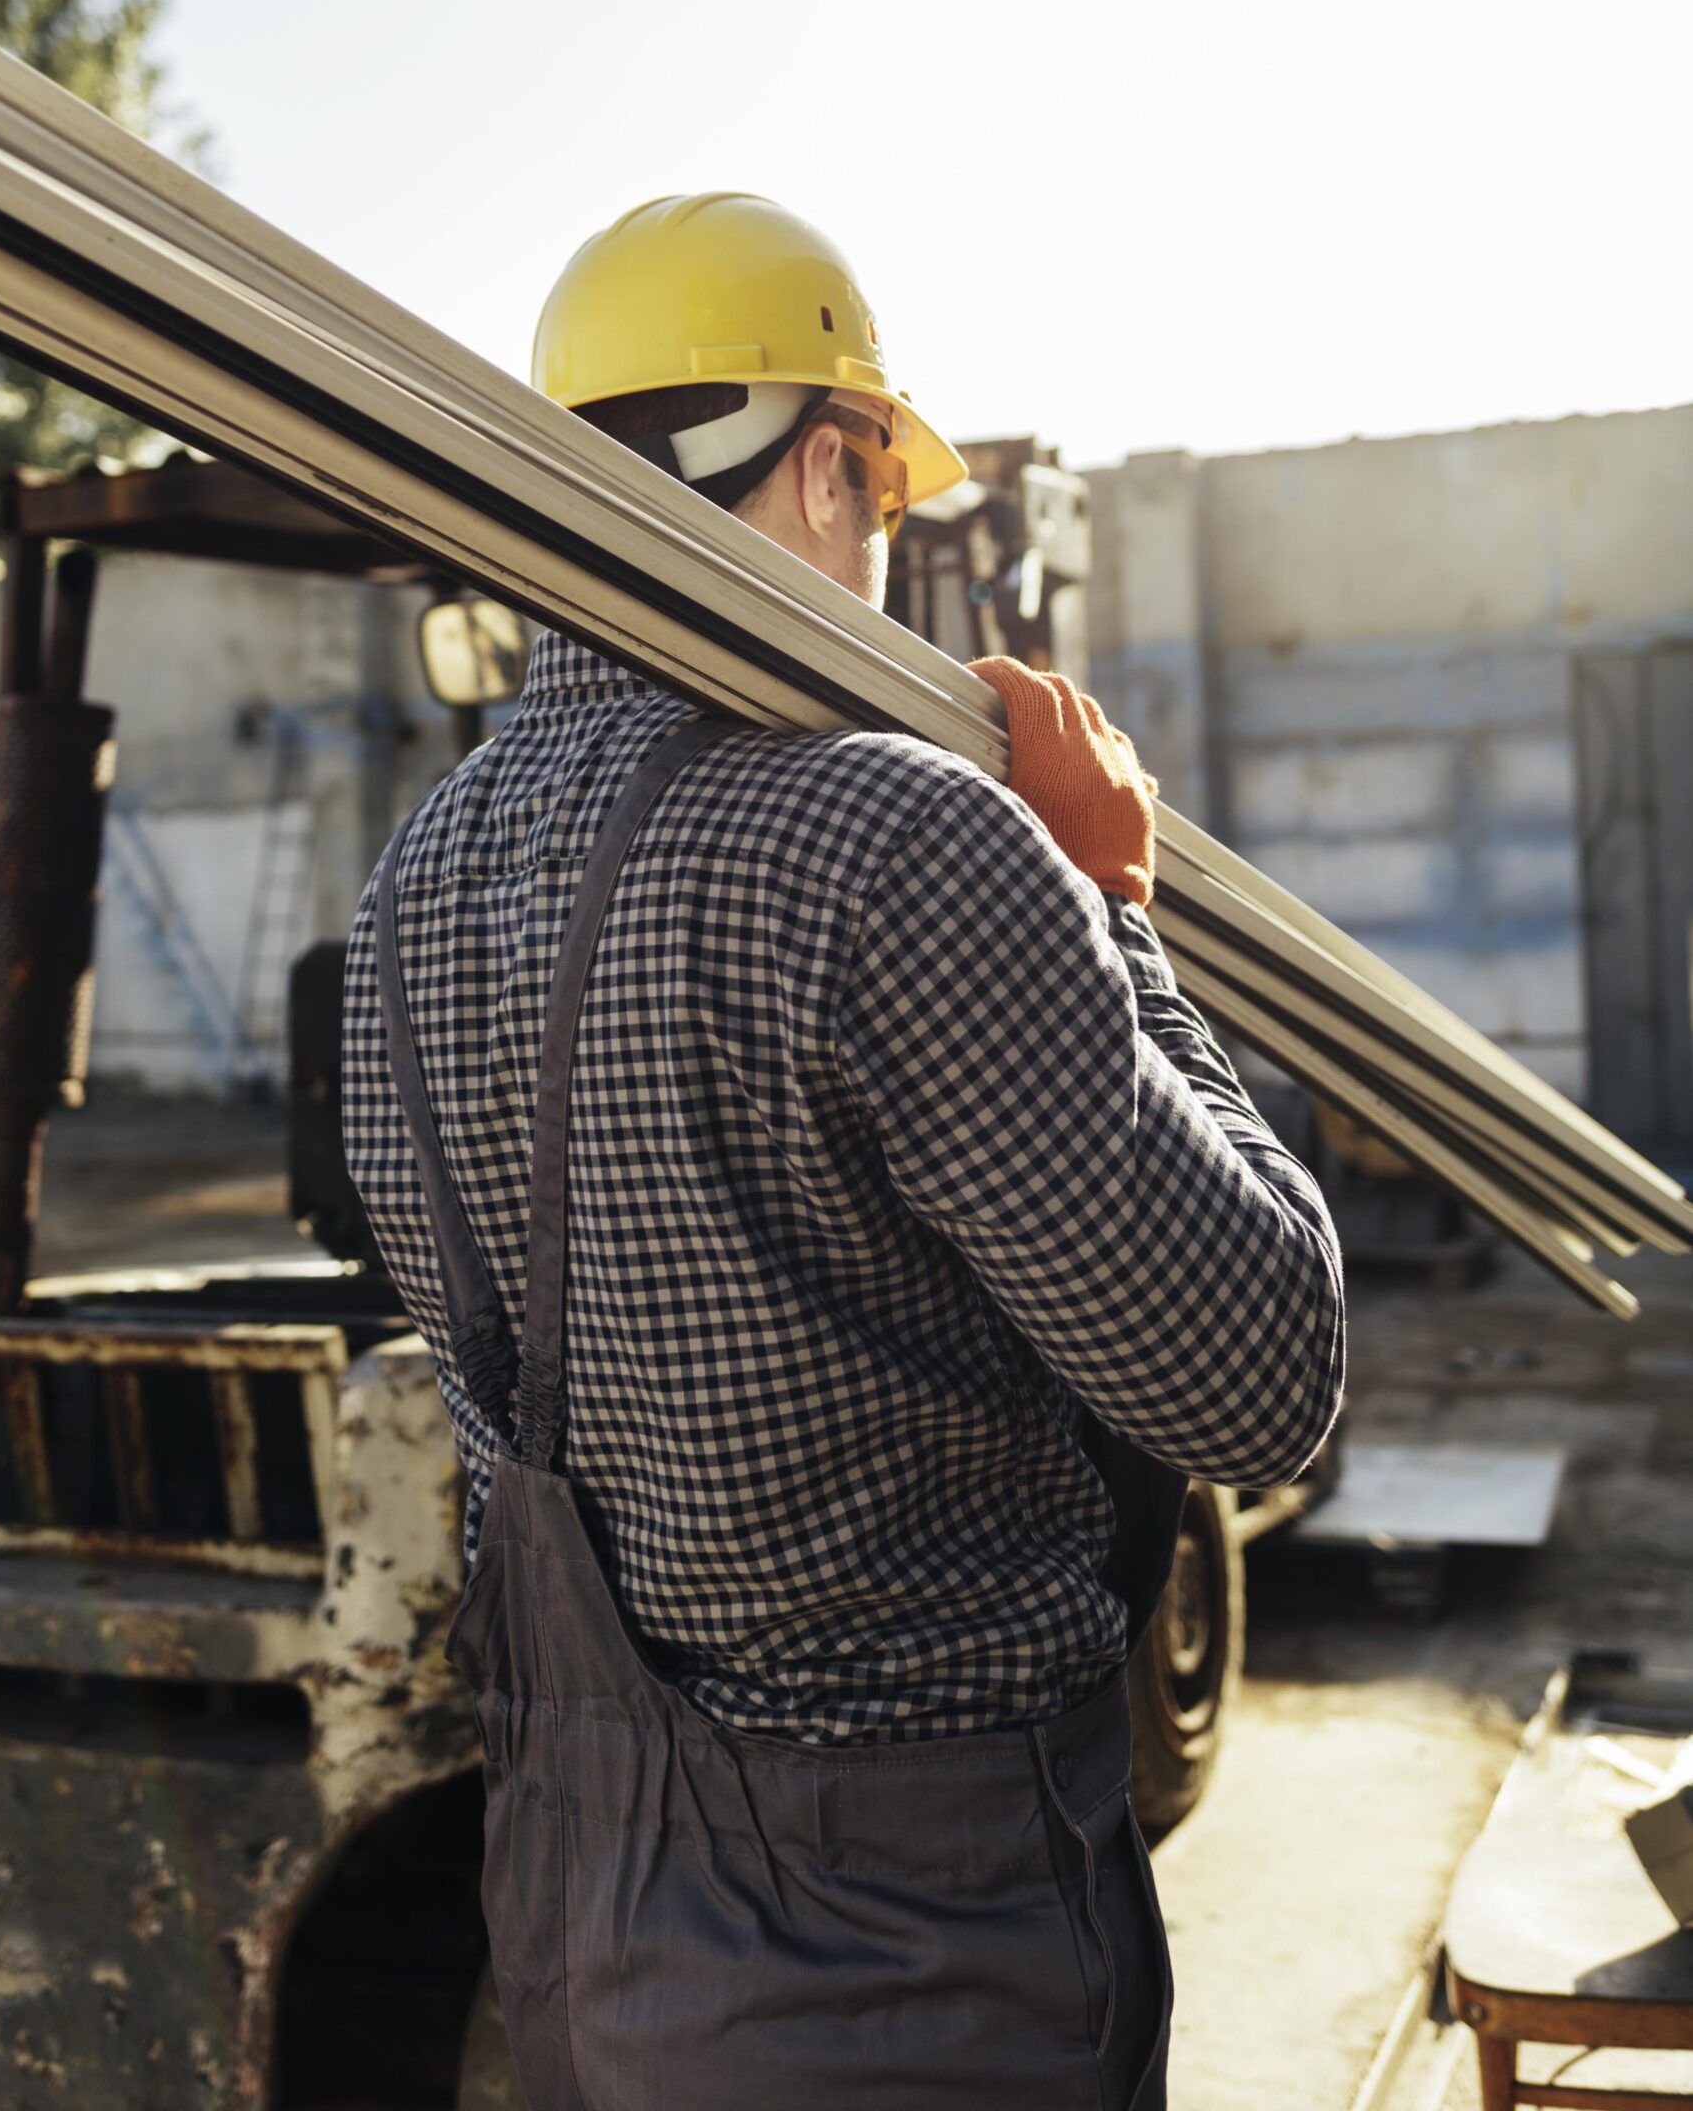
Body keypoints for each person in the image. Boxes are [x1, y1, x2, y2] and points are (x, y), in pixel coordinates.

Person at [341, 191, 1345, 2110]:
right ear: (822, 470)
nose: (885, 549)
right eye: (882, 492)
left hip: (577, 1911)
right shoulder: (911, 845)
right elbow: (1263, 1379)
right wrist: (1112, 899)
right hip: (914, 1951)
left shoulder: (411, 888)